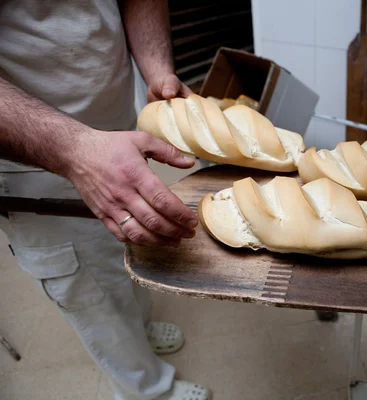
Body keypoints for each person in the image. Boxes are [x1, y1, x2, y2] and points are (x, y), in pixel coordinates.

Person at [0, 1, 211, 399]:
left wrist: (157, 69)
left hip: (118, 133)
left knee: (126, 257)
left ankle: (142, 329)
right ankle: (149, 391)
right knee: (95, 295)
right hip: (32, 162)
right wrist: (75, 151)